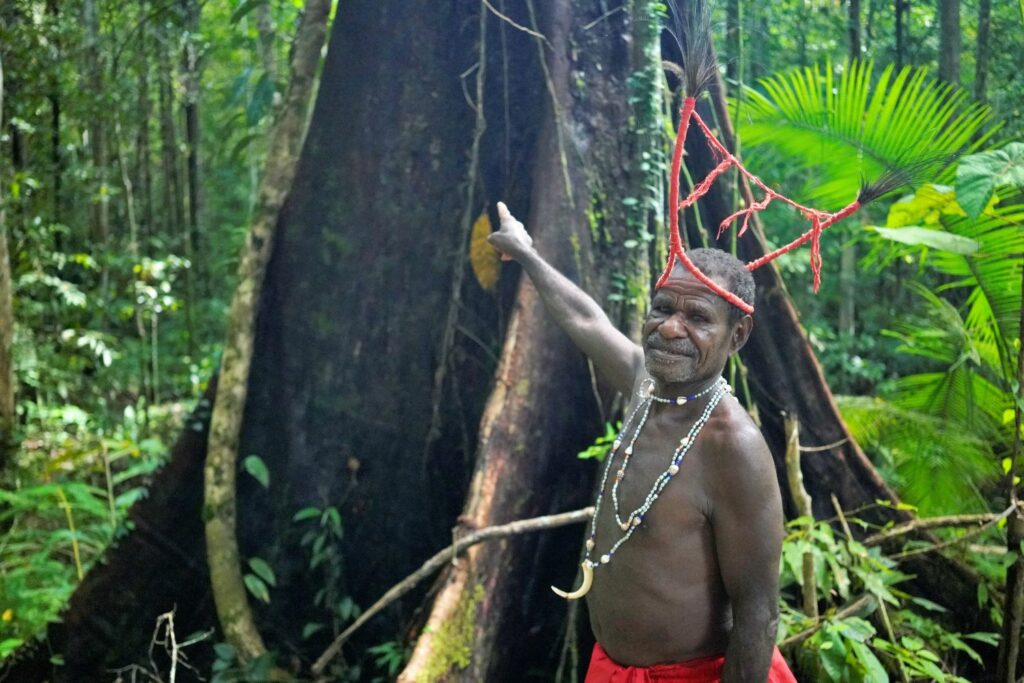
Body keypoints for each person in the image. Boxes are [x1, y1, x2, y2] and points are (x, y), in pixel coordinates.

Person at [488, 202, 797, 682]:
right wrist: (527, 254)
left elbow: (758, 616)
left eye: (698, 317)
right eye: (663, 308)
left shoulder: (733, 447)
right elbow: (586, 320)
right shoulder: (643, 384)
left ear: (737, 335)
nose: (671, 327)